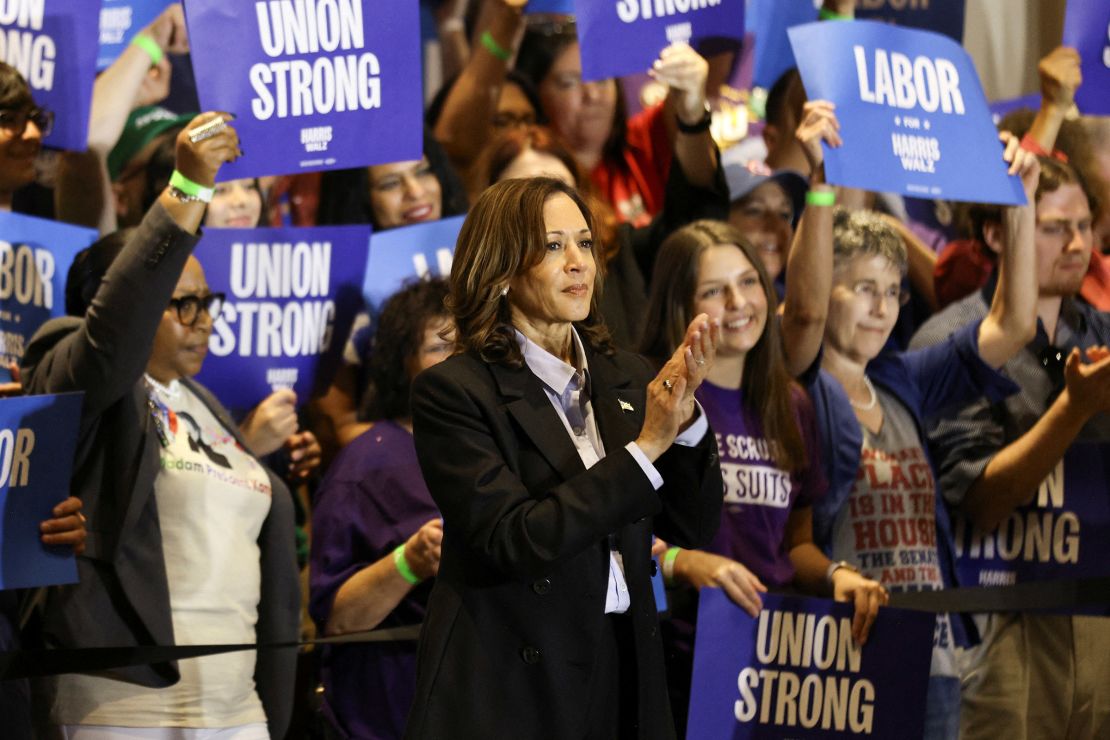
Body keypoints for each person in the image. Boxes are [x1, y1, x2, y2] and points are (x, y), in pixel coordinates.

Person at [405, 177, 723, 739]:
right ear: (501, 269)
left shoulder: (623, 373)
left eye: (584, 243)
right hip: (517, 690)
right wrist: (647, 444)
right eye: (554, 246)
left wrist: (687, 418)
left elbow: (690, 525)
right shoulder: (454, 392)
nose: (579, 263)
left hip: (626, 673)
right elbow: (516, 539)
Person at [20, 114, 300, 739]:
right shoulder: (73, 365)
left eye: (207, 302)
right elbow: (113, 333)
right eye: (182, 303)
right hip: (121, 704)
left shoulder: (208, 407)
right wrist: (188, 189)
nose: (202, 319)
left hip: (235, 711)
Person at [805, 134, 1040, 739]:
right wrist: (821, 178)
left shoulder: (903, 378)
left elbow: (1012, 324)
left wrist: (1020, 205)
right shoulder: (796, 390)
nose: (883, 308)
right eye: (863, 289)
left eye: (892, 292)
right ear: (821, 287)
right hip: (838, 660)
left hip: (933, 654)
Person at [911, 157, 1110, 739]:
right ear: (997, 234)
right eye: (1053, 227)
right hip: (998, 619)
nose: (1077, 243)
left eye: (1084, 225)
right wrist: (1074, 410)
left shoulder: (1099, 331)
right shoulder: (954, 340)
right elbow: (980, 501)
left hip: (1094, 609)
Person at [310, 279, 453, 740]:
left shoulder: (513, 451)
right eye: (439, 346)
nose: (459, 361)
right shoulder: (365, 465)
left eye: (471, 345)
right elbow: (336, 617)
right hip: (390, 715)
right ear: (400, 363)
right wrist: (408, 564)